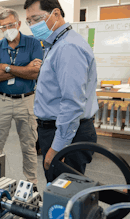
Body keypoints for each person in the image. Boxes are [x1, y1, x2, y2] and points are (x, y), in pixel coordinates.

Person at [24, 0, 98, 182]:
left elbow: (72, 104)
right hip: (59, 130)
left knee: (64, 195)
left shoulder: (68, 47)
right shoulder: (56, 44)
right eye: (29, 21)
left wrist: (57, 149)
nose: (33, 26)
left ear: (55, 14)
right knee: (61, 192)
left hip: (67, 134)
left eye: (36, 19)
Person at [0, 9, 43, 187]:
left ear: (18, 24)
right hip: (1, 100)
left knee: (29, 145)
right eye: (4, 27)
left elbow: (35, 72)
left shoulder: (33, 44)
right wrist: (22, 69)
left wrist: (7, 68)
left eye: (11, 25)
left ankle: (31, 182)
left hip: (26, 101)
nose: (7, 29)